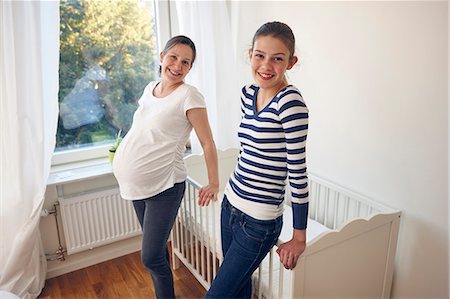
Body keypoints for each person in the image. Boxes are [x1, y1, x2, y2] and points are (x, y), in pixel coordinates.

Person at [205, 21, 309, 298]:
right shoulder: (247, 94)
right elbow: (250, 151)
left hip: (259, 221)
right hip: (230, 205)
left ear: (291, 62)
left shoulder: (290, 103)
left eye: (278, 58)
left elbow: (297, 172)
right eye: (260, 56)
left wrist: (299, 237)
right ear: (250, 55)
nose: (266, 65)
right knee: (238, 289)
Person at [112, 35, 219, 299]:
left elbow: (207, 143)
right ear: (162, 56)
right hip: (137, 186)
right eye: (173, 57)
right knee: (157, 254)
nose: (177, 65)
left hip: (165, 186)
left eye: (186, 62)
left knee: (150, 257)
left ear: (190, 68)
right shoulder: (150, 88)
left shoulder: (189, 95)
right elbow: (143, 131)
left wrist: (214, 182)